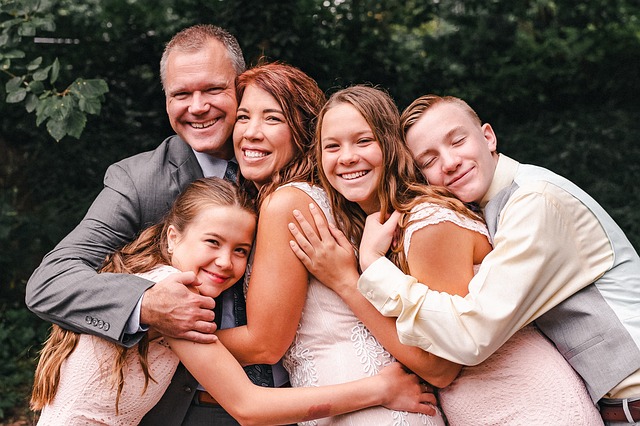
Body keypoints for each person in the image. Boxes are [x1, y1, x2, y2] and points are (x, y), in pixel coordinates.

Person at [293, 92, 640, 425]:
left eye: (457, 141)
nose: (450, 162)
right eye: (428, 160)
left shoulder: (534, 203)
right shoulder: (481, 205)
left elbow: (471, 337)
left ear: (488, 137)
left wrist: (368, 267)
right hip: (605, 404)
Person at [30, 177, 436, 425]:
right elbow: (250, 407)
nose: (226, 262)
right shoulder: (175, 296)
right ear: (173, 237)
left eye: (240, 250)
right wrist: (379, 389)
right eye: (212, 242)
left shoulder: (146, 282)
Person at [24, 24, 273, 425]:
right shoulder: (139, 181)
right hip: (180, 410)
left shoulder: (286, 161)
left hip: (290, 394)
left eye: (213, 89)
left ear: (240, 88)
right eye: (181, 94)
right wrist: (146, 304)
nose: (197, 107)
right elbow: (50, 282)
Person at [209, 64, 445, 425]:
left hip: (364, 409)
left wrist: (167, 336)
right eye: (243, 117)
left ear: (304, 132)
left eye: (272, 118)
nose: (251, 132)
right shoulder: (330, 197)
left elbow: (265, 344)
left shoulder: (287, 202)